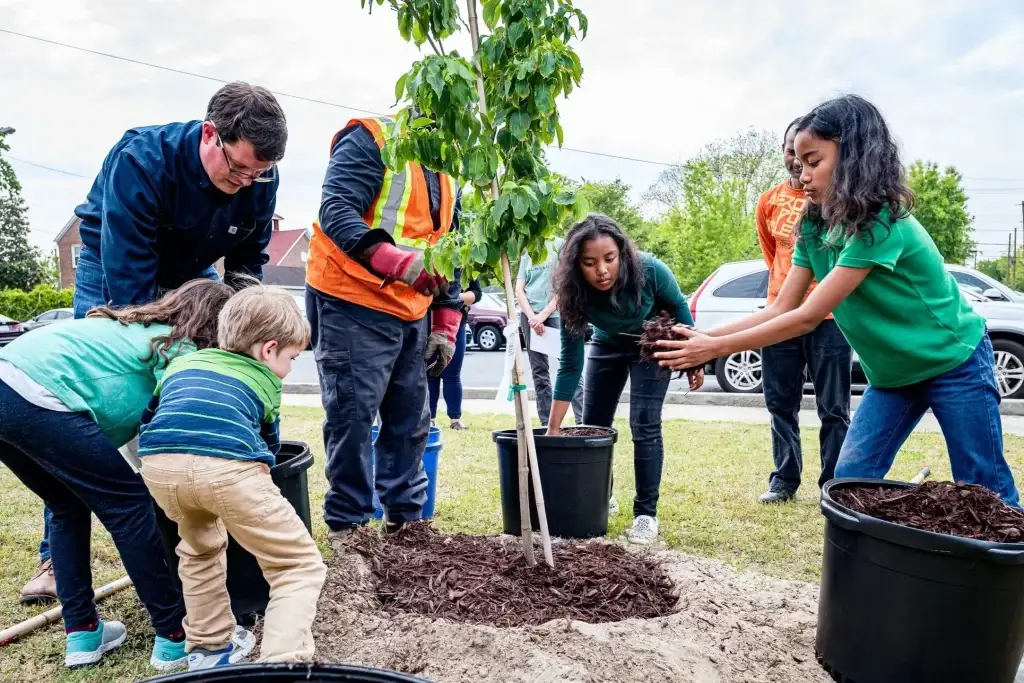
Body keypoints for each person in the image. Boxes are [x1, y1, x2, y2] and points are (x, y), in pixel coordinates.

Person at [656, 94, 1020, 507]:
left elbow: (809, 316)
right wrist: (702, 338)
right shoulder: (812, 223)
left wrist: (715, 348)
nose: (801, 172)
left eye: (814, 161)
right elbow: (781, 307)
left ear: (852, 158)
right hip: (892, 377)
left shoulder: (881, 221)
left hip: (955, 363)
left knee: (985, 490)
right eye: (797, 162)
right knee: (850, 482)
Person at [20, 81, 288, 605]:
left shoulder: (257, 176)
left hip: (193, 273)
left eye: (259, 174)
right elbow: (131, 292)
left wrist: (244, 332)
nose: (246, 182)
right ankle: (56, 555)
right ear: (211, 134)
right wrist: (165, 353)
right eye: (237, 169)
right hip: (114, 270)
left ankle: (199, 514)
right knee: (89, 412)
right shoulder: (141, 160)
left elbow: (247, 264)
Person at [0, 279, 239, 670]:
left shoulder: (130, 329)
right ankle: (174, 635)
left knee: (65, 505)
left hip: (7, 382)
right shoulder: (179, 347)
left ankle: (82, 633)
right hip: (40, 391)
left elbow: (133, 435)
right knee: (128, 505)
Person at [139, 286, 326, 669]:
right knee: (297, 565)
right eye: (291, 357)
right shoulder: (264, 378)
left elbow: (151, 416)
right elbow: (268, 446)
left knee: (198, 549)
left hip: (159, 466)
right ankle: (281, 663)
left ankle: (209, 650)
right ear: (269, 349)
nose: (289, 369)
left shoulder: (183, 363)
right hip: (227, 469)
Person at [306, 116, 464, 543]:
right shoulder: (372, 139)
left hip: (412, 307)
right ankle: (349, 527)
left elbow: (451, 245)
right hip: (351, 298)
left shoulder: (450, 162)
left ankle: (405, 522)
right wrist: (397, 263)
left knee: (411, 420)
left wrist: (446, 323)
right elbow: (336, 209)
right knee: (352, 418)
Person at [547, 215, 705, 544]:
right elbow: (570, 363)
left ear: (622, 253)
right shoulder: (573, 295)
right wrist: (553, 427)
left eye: (609, 259)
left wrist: (695, 359)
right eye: (590, 263)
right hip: (607, 343)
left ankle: (646, 514)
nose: (602, 270)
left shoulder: (650, 270)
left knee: (644, 424)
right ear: (577, 265)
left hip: (652, 341)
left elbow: (679, 305)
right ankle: (599, 496)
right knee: (593, 424)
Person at [754, 118, 852, 503]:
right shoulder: (768, 202)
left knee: (834, 409)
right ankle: (784, 479)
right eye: (791, 150)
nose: (798, 161)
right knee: (779, 403)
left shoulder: (833, 200)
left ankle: (833, 483)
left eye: (808, 154)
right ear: (784, 152)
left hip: (829, 318)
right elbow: (772, 255)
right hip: (781, 315)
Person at [516, 238, 584, 427]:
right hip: (530, 318)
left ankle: (582, 420)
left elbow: (563, 285)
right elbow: (519, 289)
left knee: (569, 366)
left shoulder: (559, 245)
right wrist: (532, 317)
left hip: (556, 314)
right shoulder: (528, 248)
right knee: (539, 372)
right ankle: (546, 422)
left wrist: (545, 314)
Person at [429, 276, 482, 430]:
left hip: (456, 323)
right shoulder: (430, 258)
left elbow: (477, 293)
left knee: (452, 373)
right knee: (431, 373)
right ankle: (429, 418)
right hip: (431, 322)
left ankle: (455, 418)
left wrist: (455, 298)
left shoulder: (464, 260)